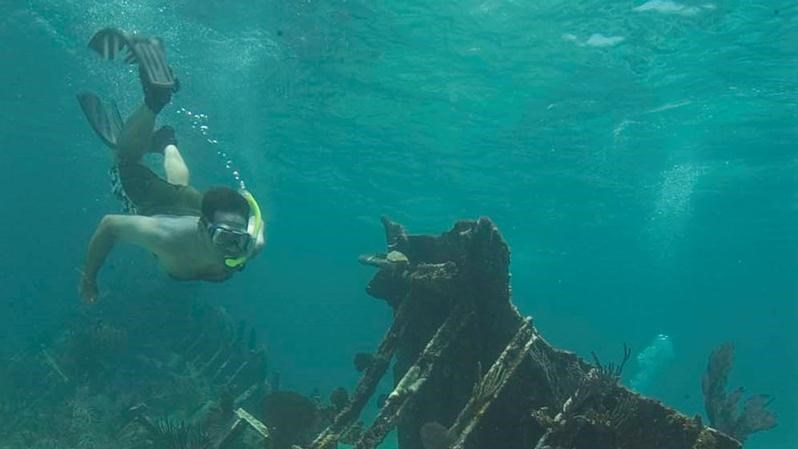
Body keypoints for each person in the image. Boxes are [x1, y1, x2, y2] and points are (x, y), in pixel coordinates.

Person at [76, 28, 265, 304]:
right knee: (123, 161)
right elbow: (109, 225)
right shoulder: (164, 236)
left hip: (190, 204)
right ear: (203, 227)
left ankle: (167, 142)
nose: (232, 247)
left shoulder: (250, 245)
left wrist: (249, 239)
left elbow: (256, 231)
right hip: (157, 208)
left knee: (181, 188)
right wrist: (88, 279)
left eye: (238, 240)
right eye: (224, 238)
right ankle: (154, 101)